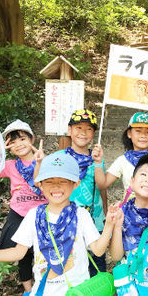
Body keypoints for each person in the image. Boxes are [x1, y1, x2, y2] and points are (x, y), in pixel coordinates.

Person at [0, 153, 121, 296]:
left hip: (76, 291)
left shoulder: (81, 215)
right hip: (43, 291)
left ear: (75, 184)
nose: (56, 187)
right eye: (49, 181)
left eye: (63, 181)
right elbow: (18, 252)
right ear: (40, 185)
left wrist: (108, 225)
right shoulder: (34, 215)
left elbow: (99, 250)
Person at [109, 153, 148, 295]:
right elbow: (116, 256)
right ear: (132, 181)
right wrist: (117, 227)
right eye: (143, 174)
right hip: (128, 290)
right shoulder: (121, 214)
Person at [55, 109, 107, 277]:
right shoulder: (59, 158)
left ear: (93, 134)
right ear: (69, 131)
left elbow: (102, 187)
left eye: (89, 129)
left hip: (94, 218)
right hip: (65, 218)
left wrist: (105, 215)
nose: (83, 133)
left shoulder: (97, 158)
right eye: (78, 128)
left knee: (97, 262)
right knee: (69, 262)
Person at [0, 119, 48, 294]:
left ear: (32, 139)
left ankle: (44, 287)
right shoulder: (10, 165)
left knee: (44, 253)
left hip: (42, 214)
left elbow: (39, 182)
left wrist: (41, 162)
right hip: (19, 215)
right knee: (23, 256)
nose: (18, 144)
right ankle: (29, 290)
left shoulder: (45, 160)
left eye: (22, 139)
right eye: (13, 142)